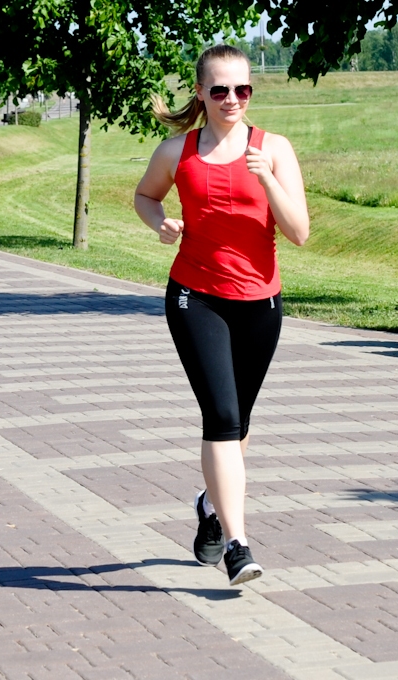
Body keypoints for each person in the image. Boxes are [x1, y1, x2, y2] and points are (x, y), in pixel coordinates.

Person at [133, 44, 309, 586]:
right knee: (223, 420)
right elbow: (144, 196)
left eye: (243, 89)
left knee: (240, 426)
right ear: (201, 94)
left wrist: (268, 179)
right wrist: (159, 221)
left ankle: (209, 504)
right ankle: (237, 542)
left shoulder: (273, 149)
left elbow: (299, 233)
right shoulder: (176, 151)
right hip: (195, 297)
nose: (233, 99)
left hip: (260, 303)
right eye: (221, 90)